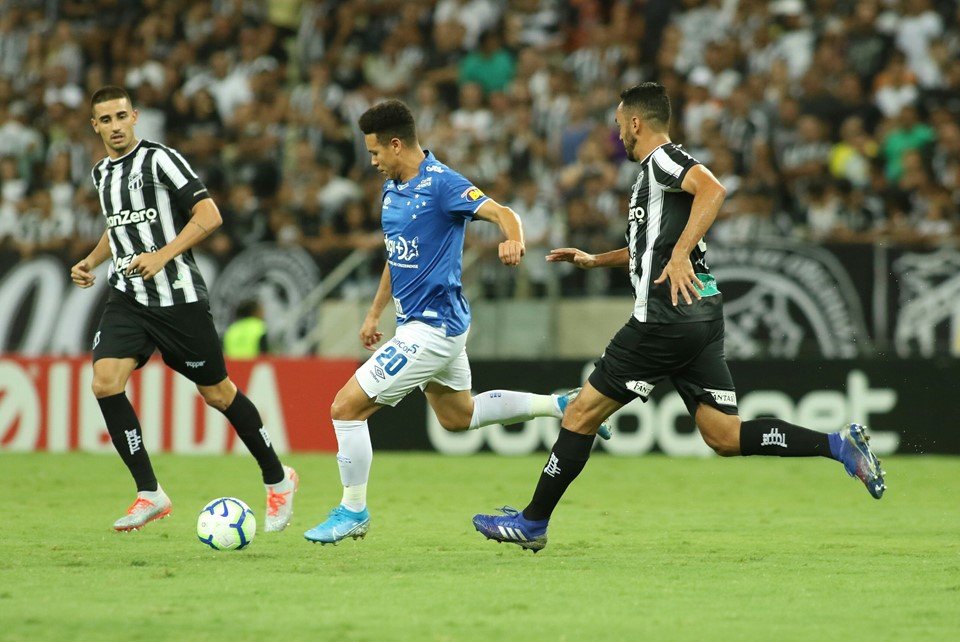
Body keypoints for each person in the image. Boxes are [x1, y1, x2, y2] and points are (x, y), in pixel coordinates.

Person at [472, 83, 886, 553]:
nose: (616, 137)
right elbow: (652, 249)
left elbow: (714, 188)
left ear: (635, 123)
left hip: (664, 318)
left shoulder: (663, 160)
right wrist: (596, 260)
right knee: (724, 434)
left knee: (581, 412)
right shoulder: (654, 178)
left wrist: (683, 252)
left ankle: (532, 522)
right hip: (700, 317)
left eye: (617, 126)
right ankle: (837, 445)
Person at [303, 99, 610, 545]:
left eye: (374, 153)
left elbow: (505, 213)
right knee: (458, 416)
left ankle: (353, 511)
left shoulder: (443, 184)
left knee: (345, 409)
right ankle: (558, 406)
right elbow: (397, 254)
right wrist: (374, 312)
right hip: (424, 324)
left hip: (433, 328)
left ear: (396, 144)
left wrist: (514, 241)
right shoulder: (393, 190)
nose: (371, 162)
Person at [70, 86, 298, 532]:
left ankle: (278, 477)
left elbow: (210, 215)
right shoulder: (101, 174)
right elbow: (118, 228)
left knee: (217, 393)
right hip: (129, 297)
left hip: (178, 300)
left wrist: (163, 255)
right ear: (94, 125)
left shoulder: (161, 160)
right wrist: (91, 260)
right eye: (106, 120)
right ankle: (149, 493)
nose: (115, 126)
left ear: (135, 117)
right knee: (104, 382)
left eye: (122, 116)